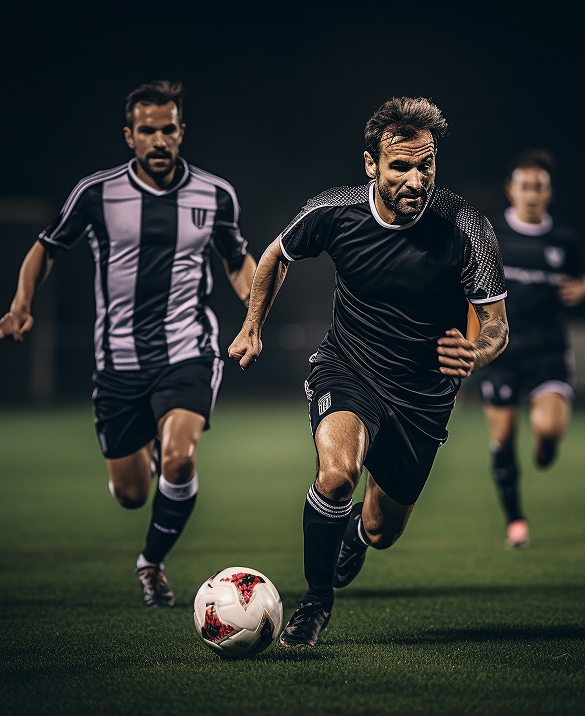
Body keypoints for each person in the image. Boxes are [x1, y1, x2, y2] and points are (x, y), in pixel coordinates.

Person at [229, 97, 509, 647]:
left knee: (382, 530)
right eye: (400, 166)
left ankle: (355, 533)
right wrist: (252, 325)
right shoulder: (335, 210)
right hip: (348, 367)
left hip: (423, 398)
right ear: (371, 164)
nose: (415, 180)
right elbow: (275, 255)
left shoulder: (467, 228)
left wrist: (475, 354)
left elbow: (497, 325)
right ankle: (316, 602)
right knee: (337, 474)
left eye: (426, 165)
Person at [0, 80, 256, 606]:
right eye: (147, 130)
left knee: (180, 460)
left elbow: (237, 262)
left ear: (181, 131)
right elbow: (46, 247)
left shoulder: (215, 195)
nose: (158, 140)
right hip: (118, 364)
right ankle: (149, 453)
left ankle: (151, 563)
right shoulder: (96, 193)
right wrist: (21, 303)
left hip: (188, 350)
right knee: (131, 494)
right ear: (129, 136)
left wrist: (254, 318)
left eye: (168, 130)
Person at [478, 149, 585, 548]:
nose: (532, 193)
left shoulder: (565, 242)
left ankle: (545, 447)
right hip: (501, 352)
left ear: (549, 193)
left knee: (548, 430)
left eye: (539, 187)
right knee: (503, 439)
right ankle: (516, 522)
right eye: (525, 186)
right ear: (511, 190)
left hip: (548, 352)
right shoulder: (491, 236)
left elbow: (579, 279)